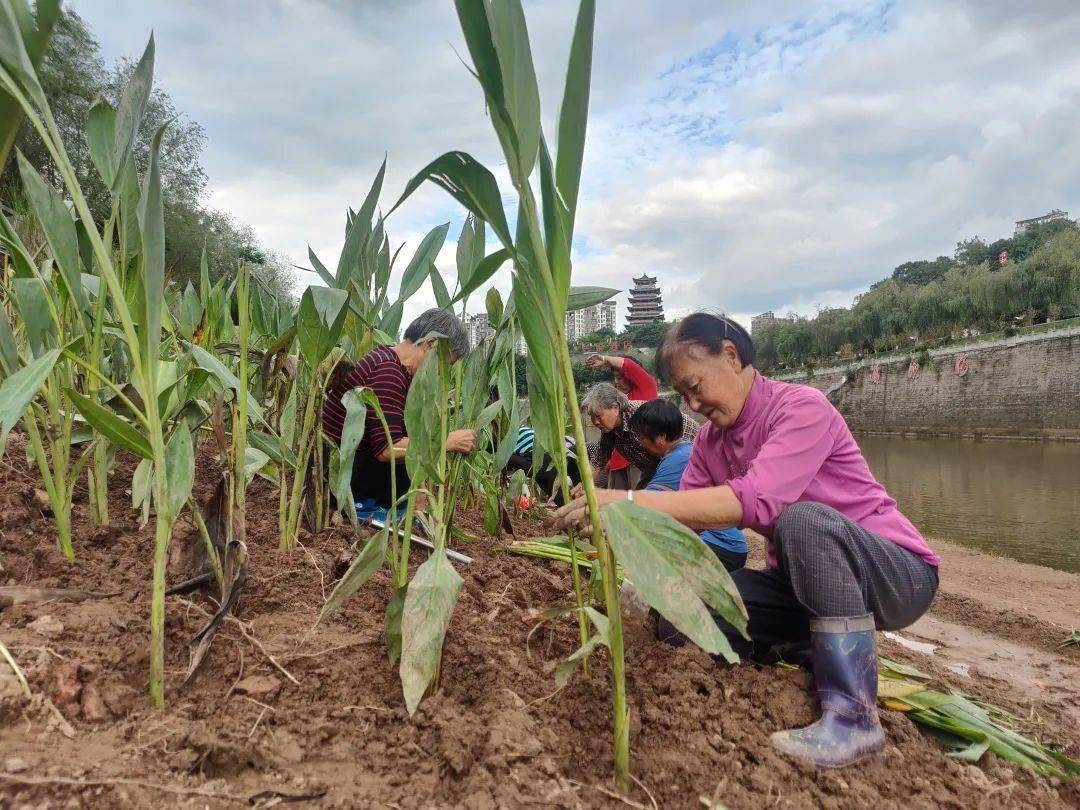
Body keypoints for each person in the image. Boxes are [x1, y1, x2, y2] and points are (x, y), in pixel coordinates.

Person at [555, 312, 939, 769]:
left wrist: (629, 501)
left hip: (895, 573)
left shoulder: (801, 408)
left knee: (802, 521)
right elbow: (681, 523)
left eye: (695, 386)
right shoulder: (709, 445)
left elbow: (757, 500)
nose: (692, 404)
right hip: (800, 585)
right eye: (683, 394)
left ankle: (854, 719)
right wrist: (620, 535)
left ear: (731, 356)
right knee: (684, 619)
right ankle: (807, 646)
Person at [322, 309, 477, 519]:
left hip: (347, 469)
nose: (441, 373)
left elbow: (407, 438)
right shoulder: (388, 371)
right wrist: (447, 442)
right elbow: (388, 449)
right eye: (444, 364)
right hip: (340, 478)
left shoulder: (394, 364)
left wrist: (420, 494)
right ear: (431, 344)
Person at [628, 398, 748, 572]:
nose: (640, 441)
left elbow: (644, 505)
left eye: (641, 436)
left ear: (660, 438)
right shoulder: (686, 451)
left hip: (721, 547)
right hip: (726, 545)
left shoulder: (677, 460)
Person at [579, 382, 697, 491]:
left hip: (684, 459)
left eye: (598, 416)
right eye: (592, 417)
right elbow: (598, 460)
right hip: (654, 467)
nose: (595, 422)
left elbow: (673, 446)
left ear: (615, 408)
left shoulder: (641, 418)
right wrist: (582, 486)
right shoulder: (608, 430)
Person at [585, 354, 658, 489]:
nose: (617, 382)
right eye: (615, 378)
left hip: (638, 463)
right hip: (617, 463)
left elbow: (628, 365)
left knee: (637, 498)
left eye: (620, 378)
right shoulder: (617, 400)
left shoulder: (646, 387)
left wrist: (605, 360)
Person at [504, 427, 581, 505]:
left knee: (562, 498)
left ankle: (572, 504)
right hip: (553, 452)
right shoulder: (519, 429)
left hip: (542, 456)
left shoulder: (506, 435)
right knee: (562, 497)